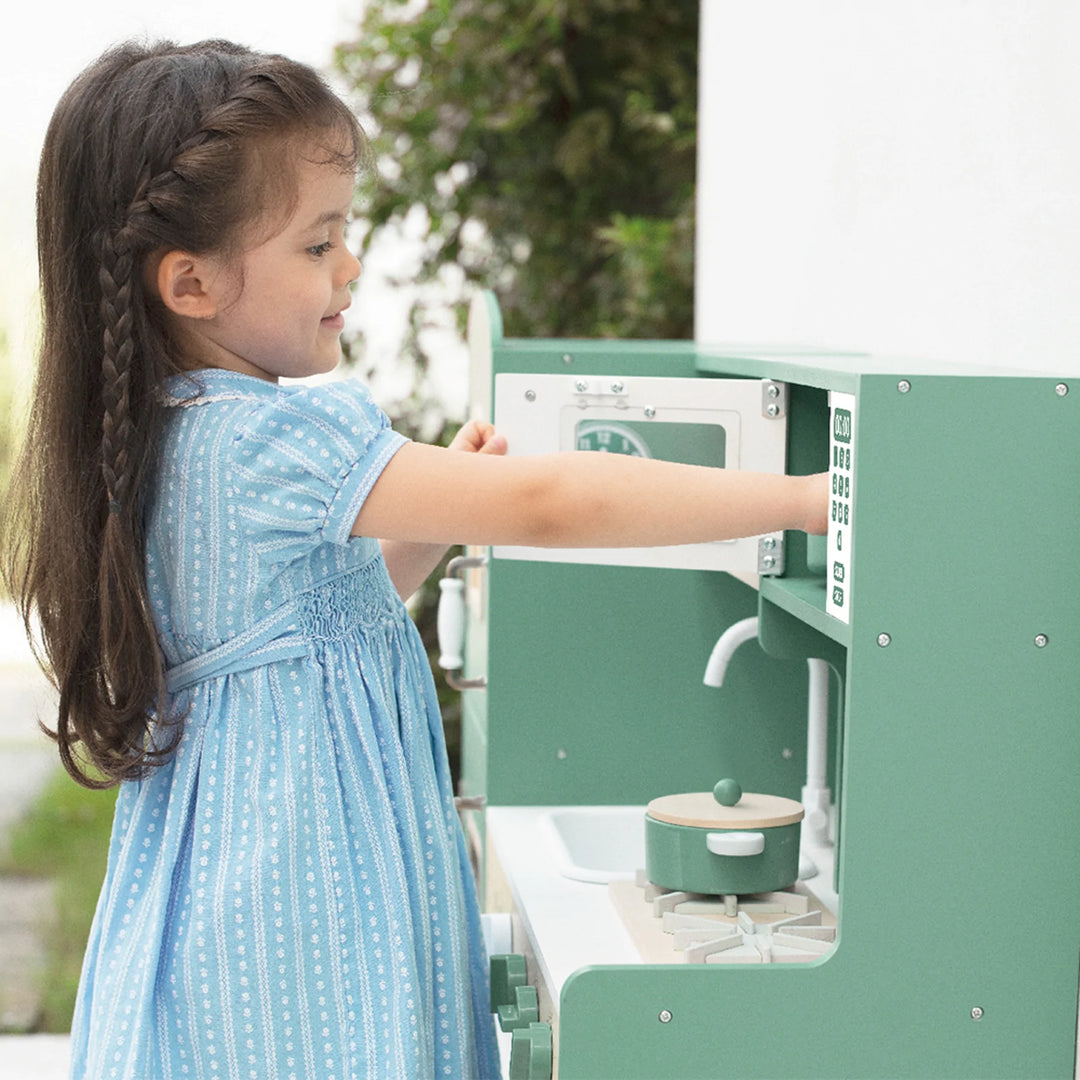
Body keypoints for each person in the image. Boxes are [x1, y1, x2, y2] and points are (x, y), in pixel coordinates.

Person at [1, 39, 828, 1080]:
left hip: (236, 902)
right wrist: (807, 499)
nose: (350, 267)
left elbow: (300, 640)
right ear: (192, 282)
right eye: (318, 244)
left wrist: (424, 532)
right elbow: (552, 503)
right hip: (304, 914)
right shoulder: (270, 439)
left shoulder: (170, 434)